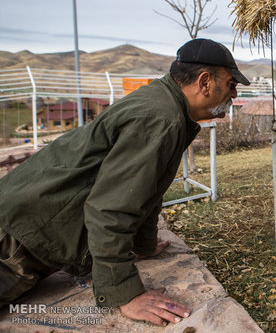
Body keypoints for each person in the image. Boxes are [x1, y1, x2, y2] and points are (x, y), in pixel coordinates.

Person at [0, 38, 250, 326]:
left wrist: (142, 244)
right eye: (231, 84)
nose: (233, 95)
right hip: (16, 238)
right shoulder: (162, 117)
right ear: (205, 82)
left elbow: (144, 188)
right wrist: (124, 292)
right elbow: (109, 207)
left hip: (28, 223)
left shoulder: (165, 106)